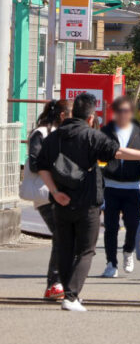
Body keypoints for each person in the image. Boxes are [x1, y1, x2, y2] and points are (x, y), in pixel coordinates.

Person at [36, 93, 140, 311]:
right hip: (87, 202)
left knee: (65, 248)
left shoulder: (54, 137)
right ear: (90, 117)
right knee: (86, 250)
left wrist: (56, 192)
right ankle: (72, 296)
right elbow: (119, 152)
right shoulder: (91, 136)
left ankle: (69, 294)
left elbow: (41, 166)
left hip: (61, 202)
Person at [100, 96, 140, 278]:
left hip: (132, 188)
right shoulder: (105, 131)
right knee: (111, 227)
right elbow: (98, 158)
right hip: (111, 186)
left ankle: (128, 251)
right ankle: (111, 263)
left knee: (133, 225)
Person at [25, 99, 71, 300]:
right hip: (45, 194)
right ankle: (55, 283)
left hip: (59, 193)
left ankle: (58, 282)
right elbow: (35, 163)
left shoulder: (60, 134)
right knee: (62, 235)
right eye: (72, 114)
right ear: (63, 115)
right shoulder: (41, 133)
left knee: (64, 236)